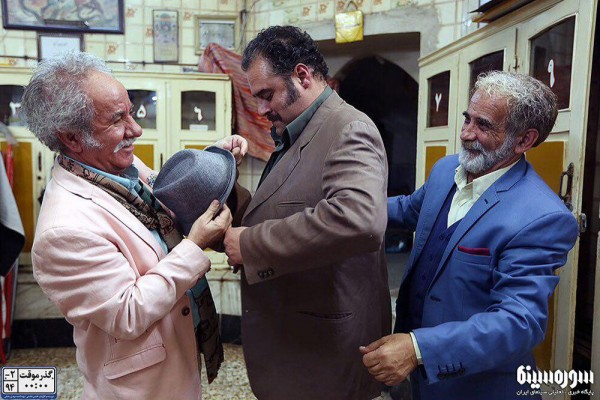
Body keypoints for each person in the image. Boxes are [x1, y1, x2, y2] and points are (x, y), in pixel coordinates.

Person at [21, 52, 245, 399]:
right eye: (117, 119)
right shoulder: (63, 231)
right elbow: (128, 313)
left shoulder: (114, 164)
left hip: (175, 359)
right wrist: (195, 245)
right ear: (72, 138)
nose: (136, 129)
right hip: (139, 388)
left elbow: (165, 202)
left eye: (130, 111)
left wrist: (212, 161)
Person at [360, 71, 579, 400]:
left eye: (483, 125)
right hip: (416, 382)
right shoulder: (446, 170)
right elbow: (409, 209)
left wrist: (418, 349)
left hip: (477, 387)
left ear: (524, 140)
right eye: (467, 119)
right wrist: (347, 207)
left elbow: (519, 323)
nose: (465, 133)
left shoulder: (542, 217)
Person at [222, 26, 391, 400]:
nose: (262, 109)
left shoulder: (348, 128)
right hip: (296, 346)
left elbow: (358, 219)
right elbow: (275, 212)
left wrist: (250, 244)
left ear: (302, 75)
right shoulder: (297, 131)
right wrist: (222, 176)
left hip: (325, 354)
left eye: (267, 95)